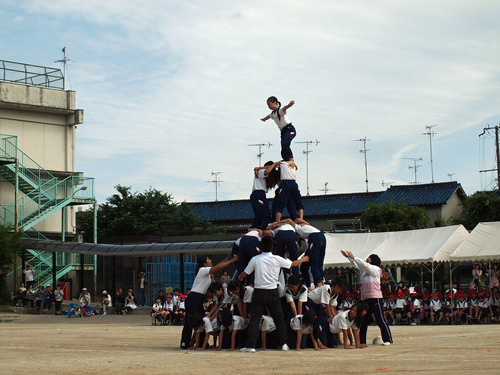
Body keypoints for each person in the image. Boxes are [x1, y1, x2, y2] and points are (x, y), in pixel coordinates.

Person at [238, 235, 309, 352]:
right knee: (279, 318)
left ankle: (250, 346)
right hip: (273, 292)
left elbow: (245, 273)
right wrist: (303, 260)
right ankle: (284, 344)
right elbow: (293, 264)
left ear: (260, 247)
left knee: (255, 319)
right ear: (272, 247)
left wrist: (240, 277)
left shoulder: (255, 259)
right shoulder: (277, 259)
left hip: (259, 291)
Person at [180, 252, 238, 349]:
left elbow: (217, 266)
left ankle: (202, 343)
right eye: (208, 259)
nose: (210, 260)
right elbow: (218, 268)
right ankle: (185, 343)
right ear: (205, 264)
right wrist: (231, 260)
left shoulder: (205, 271)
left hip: (198, 298)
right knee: (190, 321)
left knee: (201, 320)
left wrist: (227, 258)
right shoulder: (203, 270)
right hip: (194, 297)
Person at [341, 250, 393, 346]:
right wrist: (348, 257)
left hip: (375, 297)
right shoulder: (365, 270)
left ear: (373, 260)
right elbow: (358, 265)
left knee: (380, 318)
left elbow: (364, 265)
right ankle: (361, 340)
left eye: (369, 257)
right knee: (363, 320)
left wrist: (354, 257)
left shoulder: (376, 269)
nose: (367, 258)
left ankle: (388, 339)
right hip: (365, 297)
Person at [260, 96, 296, 161]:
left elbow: (284, 108)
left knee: (285, 143)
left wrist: (289, 105)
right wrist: (264, 119)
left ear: (274, 102)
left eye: (269, 104)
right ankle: (286, 160)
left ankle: (291, 159)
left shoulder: (280, 111)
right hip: (283, 131)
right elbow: (269, 116)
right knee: (283, 148)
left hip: (289, 129)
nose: (268, 106)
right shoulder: (273, 113)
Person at [250, 161, 281, 229]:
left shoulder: (267, 176)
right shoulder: (261, 171)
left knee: (258, 216)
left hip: (258, 195)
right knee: (265, 213)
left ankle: (254, 229)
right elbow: (266, 171)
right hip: (258, 194)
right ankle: (266, 229)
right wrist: (275, 164)